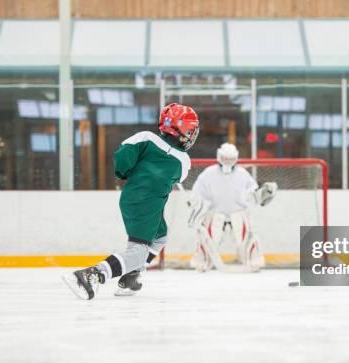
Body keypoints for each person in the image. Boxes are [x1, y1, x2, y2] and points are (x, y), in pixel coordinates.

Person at [62, 103, 199, 299]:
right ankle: (91, 274)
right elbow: (174, 176)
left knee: (161, 236)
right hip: (143, 201)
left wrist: (128, 171)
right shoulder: (169, 152)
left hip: (147, 202)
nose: (191, 135)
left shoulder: (150, 141)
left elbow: (123, 157)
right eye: (189, 129)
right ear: (174, 127)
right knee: (139, 252)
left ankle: (131, 276)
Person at [186, 143, 277, 272]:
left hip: (239, 213)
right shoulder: (209, 173)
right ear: (219, 157)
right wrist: (194, 201)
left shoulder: (242, 173)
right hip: (214, 213)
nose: (228, 162)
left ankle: (254, 261)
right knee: (208, 239)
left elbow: (253, 192)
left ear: (236, 158)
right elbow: (198, 191)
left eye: (231, 159)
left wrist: (262, 193)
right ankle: (202, 262)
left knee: (249, 237)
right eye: (225, 158)